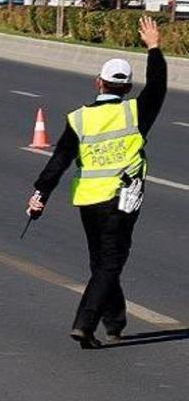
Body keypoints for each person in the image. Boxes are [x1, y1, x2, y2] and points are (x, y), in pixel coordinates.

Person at [27, 17, 166, 349]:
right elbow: (158, 86)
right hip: (121, 201)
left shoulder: (80, 118)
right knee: (110, 262)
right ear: (127, 88)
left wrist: (40, 195)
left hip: (89, 202)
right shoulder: (135, 112)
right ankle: (84, 324)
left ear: (98, 83)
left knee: (102, 262)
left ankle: (114, 321)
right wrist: (154, 47)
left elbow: (59, 159)